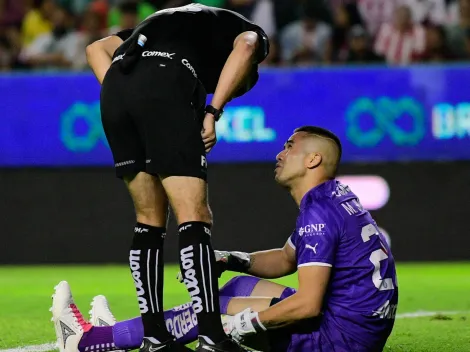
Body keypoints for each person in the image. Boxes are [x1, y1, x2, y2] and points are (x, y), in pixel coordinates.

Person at [51, 126, 398, 352]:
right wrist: (231, 259)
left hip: (339, 340)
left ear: (313, 159)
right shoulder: (334, 197)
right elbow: (286, 259)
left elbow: (308, 305)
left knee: (211, 312)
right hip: (356, 329)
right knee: (237, 287)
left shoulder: (318, 212)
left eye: (289, 147)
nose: (280, 154)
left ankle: (90, 340)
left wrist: (250, 322)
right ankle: (117, 335)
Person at [78, 3, 269, 352]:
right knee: (194, 216)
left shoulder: (167, 23)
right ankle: (212, 337)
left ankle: (154, 338)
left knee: (148, 219)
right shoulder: (242, 29)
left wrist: (129, 95)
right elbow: (246, 46)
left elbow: (95, 49)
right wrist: (213, 110)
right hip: (166, 81)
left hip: (117, 89)